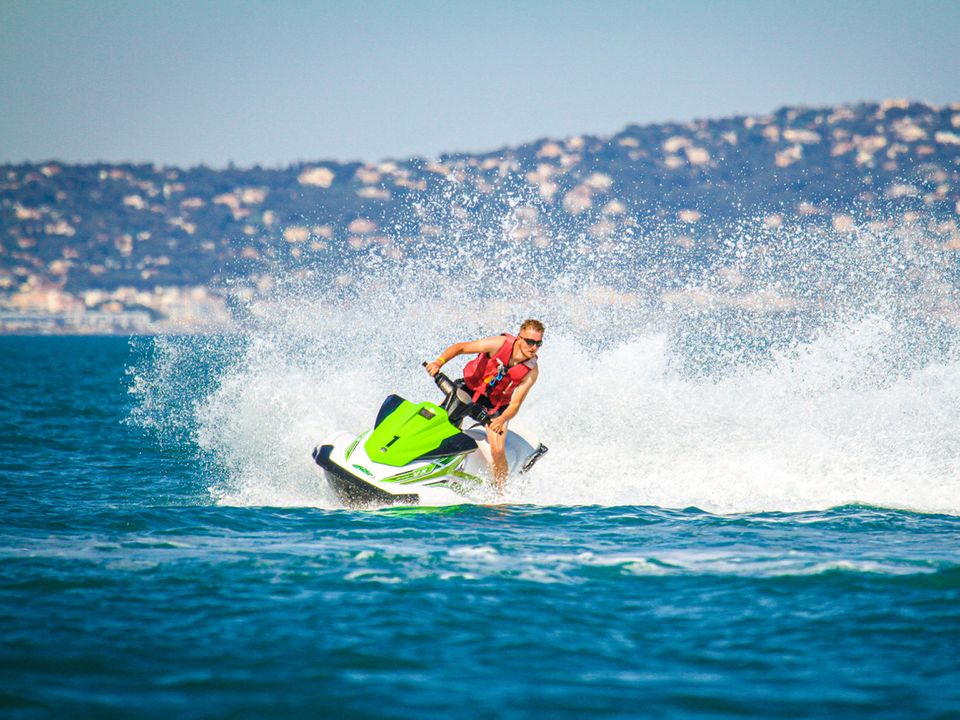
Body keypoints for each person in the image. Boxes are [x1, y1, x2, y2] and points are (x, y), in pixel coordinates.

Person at [425, 319, 544, 490]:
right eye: (530, 341)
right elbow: (461, 347)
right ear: (519, 338)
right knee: (437, 424)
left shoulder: (532, 371)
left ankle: (500, 490)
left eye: (538, 343)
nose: (533, 347)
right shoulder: (498, 344)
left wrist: (501, 419)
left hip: (496, 408)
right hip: (469, 391)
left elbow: (516, 404)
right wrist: (439, 362)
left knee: (497, 450)